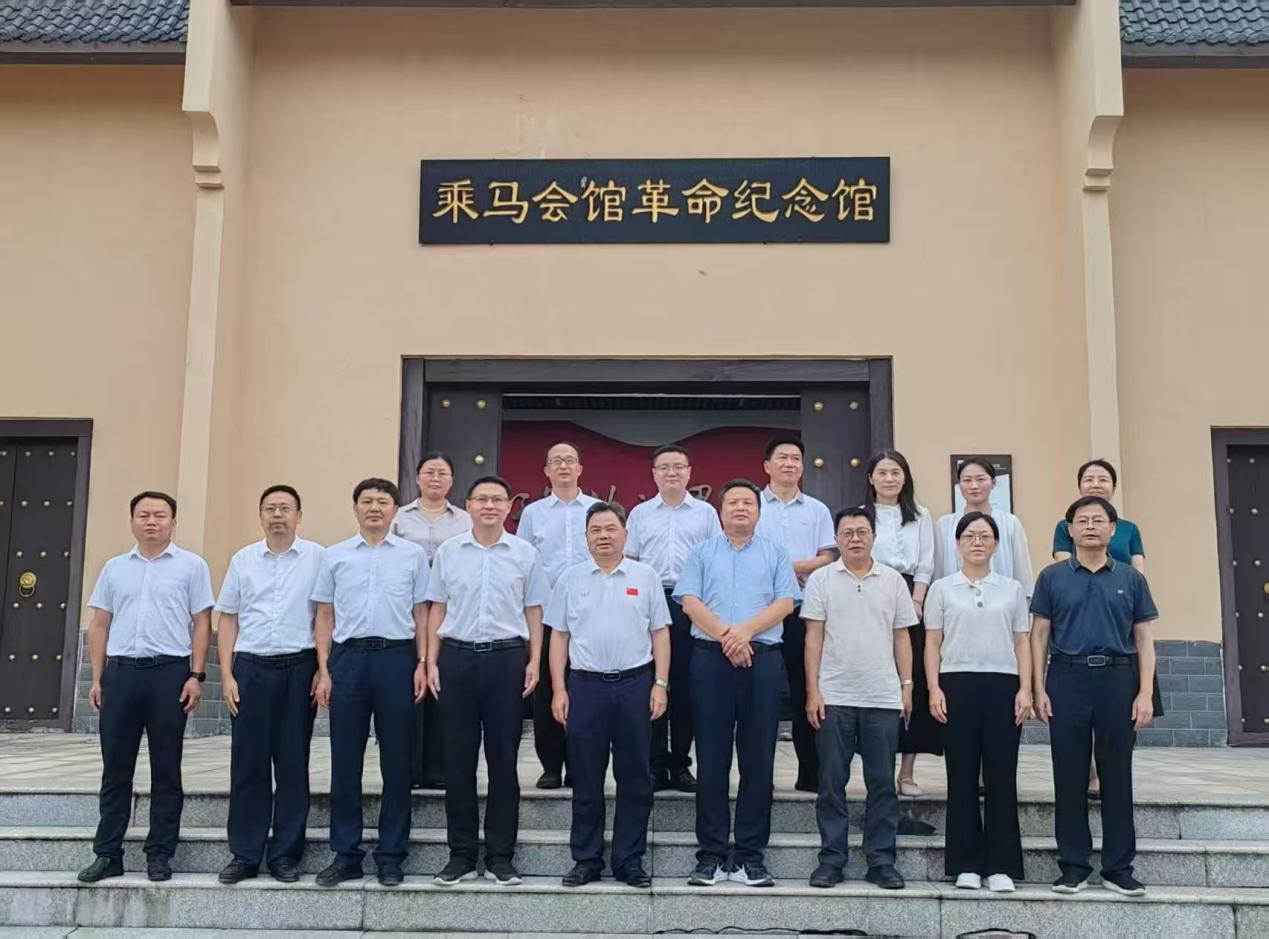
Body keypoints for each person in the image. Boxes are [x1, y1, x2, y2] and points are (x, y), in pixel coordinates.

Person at [78, 491, 214, 884]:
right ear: (132, 521)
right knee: (115, 769)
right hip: (121, 674)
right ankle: (108, 853)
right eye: (143, 515)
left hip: (169, 675)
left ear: (173, 522)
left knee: (166, 768)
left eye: (159, 515)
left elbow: (201, 623)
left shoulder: (191, 566)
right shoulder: (115, 568)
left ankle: (160, 853)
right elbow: (100, 624)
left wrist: (196, 675)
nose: (151, 521)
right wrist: (98, 677)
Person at [1032, 495, 1158, 898]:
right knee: (1068, 774)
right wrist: (1038, 688)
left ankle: (1118, 868)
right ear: (1069, 530)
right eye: (1082, 520)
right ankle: (1073, 866)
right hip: (1066, 678)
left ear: (1112, 529)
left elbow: (1144, 638)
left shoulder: (1131, 578)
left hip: (1117, 679)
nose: (1090, 526)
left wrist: (1144, 693)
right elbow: (1039, 635)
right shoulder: (1051, 577)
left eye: (1098, 520)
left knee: (1116, 775)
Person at [426, 475, 548, 888]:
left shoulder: (525, 553)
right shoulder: (449, 551)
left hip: (506, 659)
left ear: (509, 507)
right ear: (469, 505)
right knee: (458, 761)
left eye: (498, 499)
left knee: (503, 761)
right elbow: (437, 609)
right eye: (482, 499)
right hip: (456, 658)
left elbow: (534, 611)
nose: (490, 506)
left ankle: (500, 856)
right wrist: (431, 661)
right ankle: (460, 855)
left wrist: (534, 661)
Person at [675, 479, 798, 888]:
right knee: (711, 758)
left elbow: (785, 602)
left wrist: (743, 633)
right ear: (721, 511)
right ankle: (710, 854)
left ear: (759, 512)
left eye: (748, 502)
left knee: (758, 758)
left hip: (762, 660)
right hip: (710, 660)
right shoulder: (702, 552)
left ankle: (749, 855)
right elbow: (689, 601)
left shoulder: (775, 553)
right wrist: (728, 637)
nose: (740, 508)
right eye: (733, 503)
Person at [311, 478, 430, 888]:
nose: (375, 508)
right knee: (345, 760)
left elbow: (421, 614)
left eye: (383, 501)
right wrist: (324, 669)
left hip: (397, 659)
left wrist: (422, 662)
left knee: (397, 761)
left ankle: (391, 855)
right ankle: (346, 854)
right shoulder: (335, 556)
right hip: (348, 660)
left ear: (395, 510)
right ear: (355, 508)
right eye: (367, 501)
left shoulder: (413, 556)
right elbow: (324, 615)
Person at [548, 502, 671, 889]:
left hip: (635, 685)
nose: (604, 536)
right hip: (585, 686)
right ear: (586, 537)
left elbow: (660, 633)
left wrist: (660, 684)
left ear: (625, 534)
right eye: (596, 530)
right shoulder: (570, 578)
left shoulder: (645, 576)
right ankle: (586, 860)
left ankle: (629, 861)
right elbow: (559, 637)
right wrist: (558, 689)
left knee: (635, 776)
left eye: (610, 529)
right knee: (586, 777)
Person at [802, 506, 916, 892]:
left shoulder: (893, 580)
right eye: (847, 533)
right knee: (831, 781)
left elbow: (902, 636)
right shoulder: (822, 579)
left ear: (873, 537)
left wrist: (906, 685)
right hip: (834, 694)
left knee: (881, 782)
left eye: (862, 532)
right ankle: (831, 860)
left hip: (882, 695)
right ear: (836, 539)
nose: (855, 538)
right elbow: (813, 637)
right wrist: (813, 690)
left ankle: (881, 860)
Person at [216, 484, 324, 885]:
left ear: (299, 515)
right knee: (248, 762)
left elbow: (325, 615)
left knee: (293, 762)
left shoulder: (318, 557)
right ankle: (245, 853)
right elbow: (228, 617)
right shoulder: (243, 560)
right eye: (270, 509)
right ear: (260, 515)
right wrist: (227, 675)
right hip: (251, 668)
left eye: (285, 508)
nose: (278, 515)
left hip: (300, 666)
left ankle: (285, 855)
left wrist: (323, 668)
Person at [926, 511, 1031, 893]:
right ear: (957, 543)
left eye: (985, 536)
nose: (977, 542)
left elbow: (1022, 642)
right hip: (956, 684)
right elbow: (932, 642)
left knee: (1002, 776)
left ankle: (1002, 865)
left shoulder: (1012, 589)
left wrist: (1025, 689)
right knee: (962, 775)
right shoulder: (942, 589)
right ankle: (966, 864)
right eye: (969, 536)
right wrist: (934, 688)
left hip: (1003, 685)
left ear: (996, 544)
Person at [1050, 459, 1153, 797]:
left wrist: (1121, 589)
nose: (1096, 483)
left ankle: (1109, 776)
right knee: (1074, 736)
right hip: (1080, 623)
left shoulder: (1129, 529)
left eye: (1103, 479)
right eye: (1089, 478)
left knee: (1119, 728)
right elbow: (1065, 567)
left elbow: (1138, 568)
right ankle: (1091, 776)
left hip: (1119, 619)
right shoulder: (1066, 526)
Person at [625, 444, 721, 792]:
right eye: (664, 467)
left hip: (689, 603)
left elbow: (715, 561)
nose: (671, 473)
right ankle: (653, 764)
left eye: (678, 466)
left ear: (689, 472)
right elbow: (630, 561)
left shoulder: (706, 514)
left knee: (684, 685)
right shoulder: (639, 514)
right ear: (654, 474)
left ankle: (680, 764)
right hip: (648, 601)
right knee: (650, 681)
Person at [754, 436, 835, 792]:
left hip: (805, 612)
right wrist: (784, 572)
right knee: (762, 694)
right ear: (767, 466)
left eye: (795, 458)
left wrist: (791, 567)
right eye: (782, 458)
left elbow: (828, 556)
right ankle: (760, 776)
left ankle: (810, 774)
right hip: (761, 613)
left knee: (807, 688)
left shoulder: (817, 510)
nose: (789, 464)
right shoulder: (752, 504)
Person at [517, 441, 598, 790]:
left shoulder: (596, 509)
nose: (563, 466)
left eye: (569, 460)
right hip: (547, 614)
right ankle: (550, 765)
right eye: (556, 461)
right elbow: (523, 561)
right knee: (547, 689)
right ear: (546, 471)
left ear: (580, 468)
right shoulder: (533, 513)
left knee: (584, 689)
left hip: (590, 611)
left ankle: (581, 764)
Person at [393, 451, 473, 791]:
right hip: (407, 611)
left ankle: (440, 769)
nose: (435, 478)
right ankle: (411, 768)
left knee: (443, 689)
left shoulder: (465, 520)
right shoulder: (399, 517)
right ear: (418, 478)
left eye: (442, 473)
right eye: (429, 472)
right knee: (410, 690)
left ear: (452, 480)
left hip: (450, 610)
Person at [864, 449, 939, 797]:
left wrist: (917, 601)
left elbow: (926, 563)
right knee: (877, 678)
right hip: (871, 591)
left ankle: (907, 772)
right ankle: (877, 771)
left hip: (911, 595)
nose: (889, 479)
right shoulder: (862, 514)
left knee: (912, 680)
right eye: (882, 472)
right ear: (871, 478)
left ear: (905, 476)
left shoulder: (920, 515)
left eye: (895, 472)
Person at [936, 457, 1033, 598]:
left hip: (1002, 602)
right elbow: (938, 572)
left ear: (993, 482)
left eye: (981, 479)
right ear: (959, 485)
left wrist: (1024, 601)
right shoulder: (944, 525)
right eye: (967, 480)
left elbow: (1022, 572)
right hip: (955, 604)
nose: (974, 486)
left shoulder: (1010, 523)